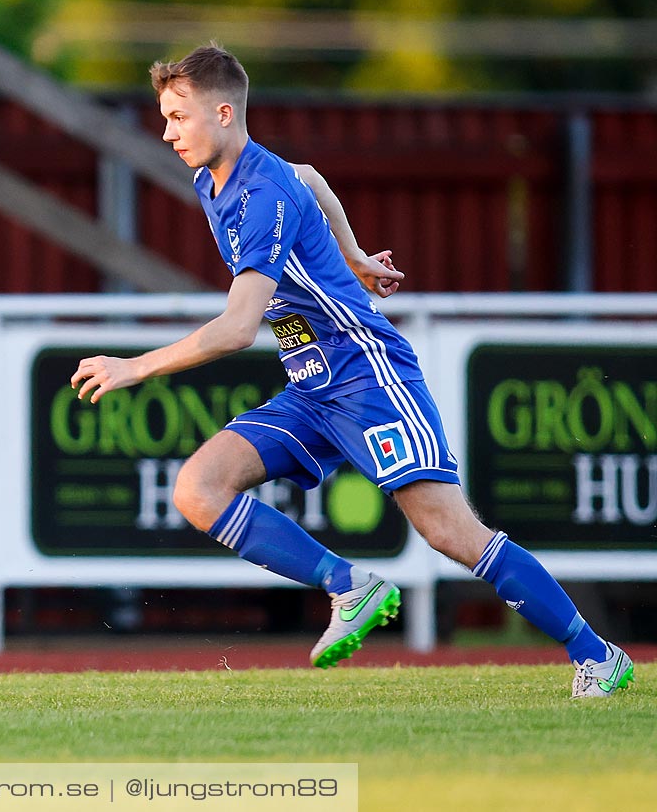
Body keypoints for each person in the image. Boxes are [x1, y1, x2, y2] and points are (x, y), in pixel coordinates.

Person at [70, 43, 633, 699]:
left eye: (177, 117)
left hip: (365, 374)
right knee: (198, 488)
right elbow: (310, 175)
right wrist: (353, 251)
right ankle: (350, 585)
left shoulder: (259, 195)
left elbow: (236, 327)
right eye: (163, 117)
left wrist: (135, 365)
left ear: (224, 112)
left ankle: (597, 654)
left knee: (450, 531)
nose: (166, 132)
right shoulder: (217, 178)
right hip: (311, 384)